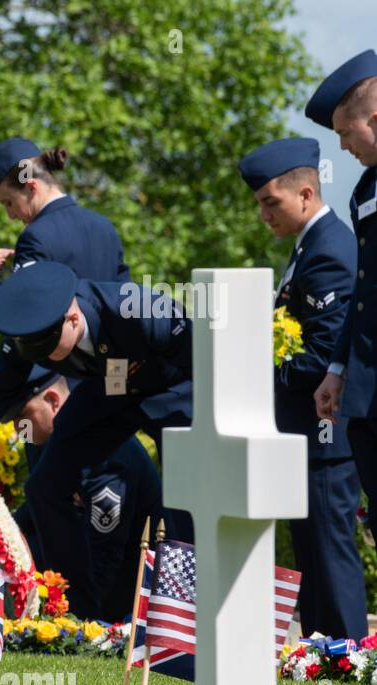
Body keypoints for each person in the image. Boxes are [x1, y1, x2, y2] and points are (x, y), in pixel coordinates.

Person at [0, 261, 190, 605]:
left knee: (184, 493)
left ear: (72, 316)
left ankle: (185, 607)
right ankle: (77, 606)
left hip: (173, 391)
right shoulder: (30, 337)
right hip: (110, 392)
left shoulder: (135, 308)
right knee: (44, 486)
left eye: (49, 348)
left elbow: (201, 352)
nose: (43, 358)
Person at [238, 137, 367, 639]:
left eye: (271, 203)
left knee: (329, 548)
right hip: (305, 433)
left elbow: (321, 359)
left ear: (307, 194)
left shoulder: (329, 250)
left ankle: (348, 656)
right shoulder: (311, 246)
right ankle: (320, 651)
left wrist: (253, 369)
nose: (264, 215)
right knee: (312, 547)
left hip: (325, 435)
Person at [3, 370, 162, 622]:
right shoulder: (38, 439)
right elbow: (39, 505)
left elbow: (103, 563)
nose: (17, 429)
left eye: (22, 416)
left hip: (126, 585)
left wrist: (70, 621)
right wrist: (5, 530)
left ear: (53, 402)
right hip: (77, 553)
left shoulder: (106, 457)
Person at [310, 51, 377, 555]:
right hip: (368, 394)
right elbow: (363, 291)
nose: (342, 145)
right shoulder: (364, 191)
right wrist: (337, 366)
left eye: (346, 131)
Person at [0, 138, 130, 305]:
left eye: (9, 202)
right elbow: (126, 302)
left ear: (30, 187)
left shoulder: (34, 238)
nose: (11, 215)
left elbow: (19, 308)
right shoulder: (104, 226)